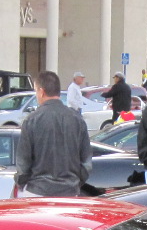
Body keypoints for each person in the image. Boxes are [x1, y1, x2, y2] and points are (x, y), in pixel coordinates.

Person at [14, 70, 92, 198]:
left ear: (41, 91)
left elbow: (23, 162)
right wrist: (76, 182)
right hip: (70, 191)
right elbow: (86, 161)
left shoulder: (31, 120)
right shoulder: (77, 120)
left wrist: (21, 182)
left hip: (37, 191)